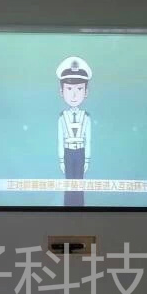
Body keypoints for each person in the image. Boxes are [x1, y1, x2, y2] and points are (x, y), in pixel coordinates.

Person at [56, 56, 92, 207]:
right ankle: (67, 209)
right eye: (69, 89)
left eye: (79, 89)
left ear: (86, 92)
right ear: (61, 91)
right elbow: (60, 140)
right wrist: (61, 159)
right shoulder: (62, 117)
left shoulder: (86, 117)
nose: (74, 94)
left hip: (81, 152)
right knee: (69, 183)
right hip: (68, 152)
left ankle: (80, 209)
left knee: (79, 183)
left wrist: (87, 159)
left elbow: (88, 140)